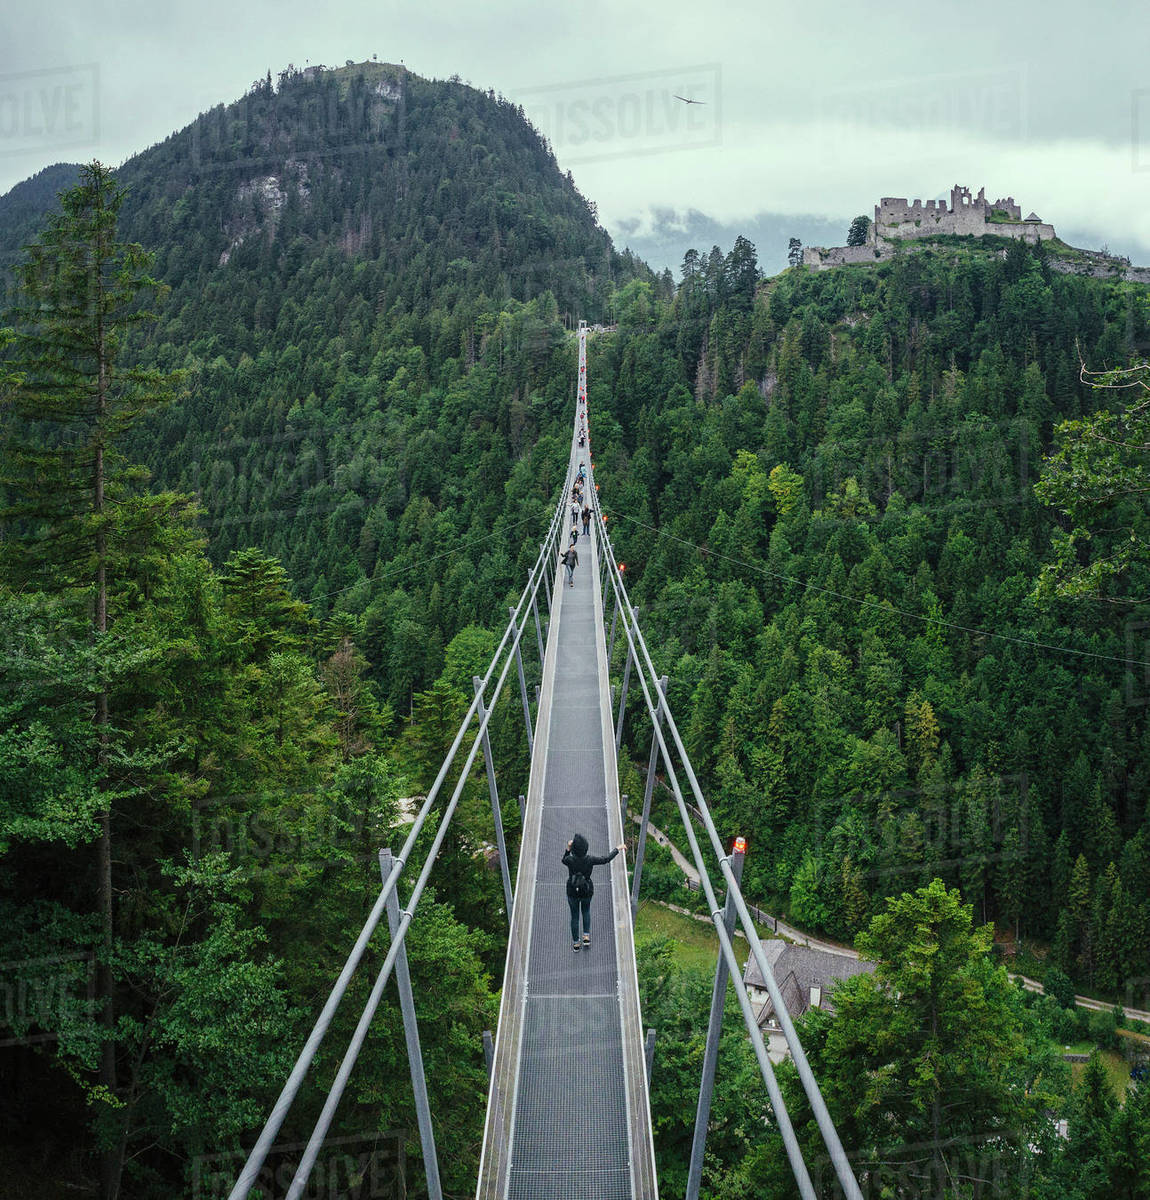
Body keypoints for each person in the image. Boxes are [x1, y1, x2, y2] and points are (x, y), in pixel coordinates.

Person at [563, 834, 624, 951]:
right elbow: (606, 859)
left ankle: (576, 944)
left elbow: (563, 860)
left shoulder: (570, 860)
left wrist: (568, 848)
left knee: (574, 916)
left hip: (572, 891)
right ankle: (586, 936)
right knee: (586, 911)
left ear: (574, 849)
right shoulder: (590, 859)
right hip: (586, 890)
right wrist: (618, 848)